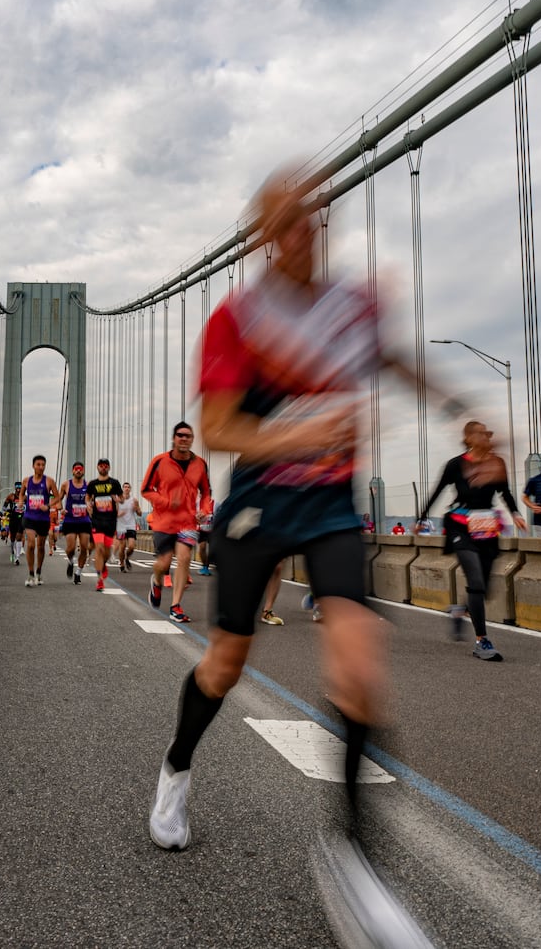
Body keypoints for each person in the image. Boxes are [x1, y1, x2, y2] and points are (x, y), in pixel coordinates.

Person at [148, 169, 460, 871]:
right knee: (227, 662)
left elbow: (391, 356)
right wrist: (303, 433)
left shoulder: (353, 305)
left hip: (329, 511)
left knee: (358, 659)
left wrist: (457, 409)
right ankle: (176, 767)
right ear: (263, 238)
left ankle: (352, 852)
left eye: (312, 215)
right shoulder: (239, 320)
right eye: (284, 220)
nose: (302, 230)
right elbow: (220, 427)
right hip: (258, 508)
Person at [418, 421, 527, 662]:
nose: (487, 436)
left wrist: (516, 513)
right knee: (475, 581)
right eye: (481, 433)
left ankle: (459, 611)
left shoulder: (496, 463)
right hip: (460, 524)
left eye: (489, 433)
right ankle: (482, 641)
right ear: (468, 438)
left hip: (487, 526)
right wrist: (421, 517)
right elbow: (437, 490)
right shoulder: (456, 464)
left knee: (484, 588)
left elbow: (504, 492)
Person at [140, 421, 212, 624]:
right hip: (164, 521)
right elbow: (146, 489)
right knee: (163, 563)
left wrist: (204, 511)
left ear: (192, 439)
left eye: (187, 436)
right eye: (180, 435)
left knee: (184, 557)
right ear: (174, 438)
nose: (183, 438)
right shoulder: (160, 462)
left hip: (187, 522)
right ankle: (156, 581)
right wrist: (166, 502)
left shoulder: (200, 464)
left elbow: (206, 492)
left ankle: (175, 606)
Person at [87, 459, 124, 592]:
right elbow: (87, 497)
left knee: (107, 552)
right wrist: (88, 505)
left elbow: (122, 498)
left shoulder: (114, 483)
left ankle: (103, 566)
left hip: (110, 521)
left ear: (109, 468)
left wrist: (117, 499)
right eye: (101, 466)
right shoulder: (92, 484)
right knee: (99, 548)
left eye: (105, 466)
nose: (103, 468)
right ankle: (100, 580)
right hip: (97, 520)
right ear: (97, 467)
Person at [20, 456, 57, 587]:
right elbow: (21, 493)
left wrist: (48, 506)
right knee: (30, 544)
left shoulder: (49, 481)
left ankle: (39, 571)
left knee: (40, 546)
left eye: (43, 465)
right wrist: (20, 502)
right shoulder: (26, 481)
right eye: (38, 464)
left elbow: (57, 498)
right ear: (33, 466)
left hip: (43, 518)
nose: (41, 467)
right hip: (29, 517)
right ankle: (30, 574)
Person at [59, 461, 94, 584]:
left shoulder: (88, 485)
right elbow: (59, 499)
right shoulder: (66, 485)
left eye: (80, 469)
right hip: (70, 520)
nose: (78, 471)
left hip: (84, 520)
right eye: (76, 469)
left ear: (83, 471)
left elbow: (92, 499)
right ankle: (70, 561)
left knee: (84, 548)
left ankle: (78, 572)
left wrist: (90, 506)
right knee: (71, 548)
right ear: (73, 471)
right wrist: (61, 509)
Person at [116, 491, 141, 572]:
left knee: (131, 546)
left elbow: (140, 513)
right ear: (122, 489)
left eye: (128, 487)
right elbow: (112, 514)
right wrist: (119, 514)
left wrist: (136, 509)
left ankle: (127, 558)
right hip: (121, 526)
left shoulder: (134, 500)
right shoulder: (118, 500)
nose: (126, 489)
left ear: (130, 489)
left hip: (131, 526)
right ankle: (122, 564)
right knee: (122, 547)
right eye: (125, 487)